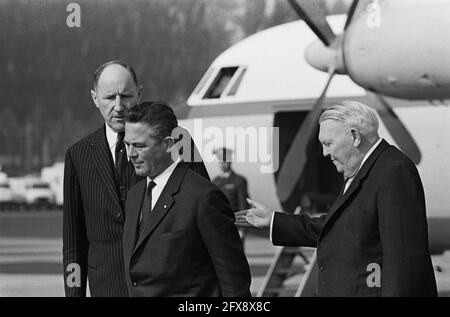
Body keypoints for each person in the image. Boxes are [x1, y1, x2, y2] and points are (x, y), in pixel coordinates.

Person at [236, 101, 437, 297]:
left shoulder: (393, 171)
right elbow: (335, 227)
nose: (324, 153)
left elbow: (403, 260)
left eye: (328, 144)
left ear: (355, 136)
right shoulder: (362, 171)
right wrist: (272, 220)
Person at [63, 61, 209, 297]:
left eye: (127, 95)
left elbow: (206, 215)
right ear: (94, 98)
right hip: (107, 290)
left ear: (140, 93)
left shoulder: (178, 140)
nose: (119, 106)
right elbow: (73, 245)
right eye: (110, 97)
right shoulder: (77, 155)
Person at [122, 101, 251, 296]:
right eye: (127, 144)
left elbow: (234, 279)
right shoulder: (134, 196)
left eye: (139, 146)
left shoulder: (203, 196)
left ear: (168, 145)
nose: (131, 154)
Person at [212, 147, 249, 240]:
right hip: (218, 226)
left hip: (234, 226)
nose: (222, 164)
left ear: (230, 161)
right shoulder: (215, 181)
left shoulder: (239, 181)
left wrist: (242, 229)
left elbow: (243, 205)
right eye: (220, 161)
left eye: (224, 161)